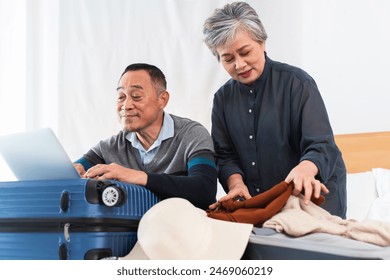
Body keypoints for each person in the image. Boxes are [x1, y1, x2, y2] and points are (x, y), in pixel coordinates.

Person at [202, 2, 347, 218]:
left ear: (262, 42)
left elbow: (321, 143)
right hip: (261, 202)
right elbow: (225, 155)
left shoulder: (297, 83)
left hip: (312, 196)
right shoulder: (222, 99)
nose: (239, 65)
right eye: (228, 58)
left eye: (245, 52)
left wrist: (306, 168)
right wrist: (235, 183)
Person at [73, 63, 217, 210]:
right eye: (121, 97)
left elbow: (204, 189)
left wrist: (137, 176)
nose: (126, 105)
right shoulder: (108, 147)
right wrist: (71, 172)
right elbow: (72, 173)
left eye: (136, 96)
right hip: (131, 230)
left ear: (163, 99)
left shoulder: (191, 134)